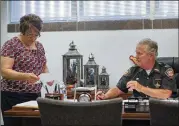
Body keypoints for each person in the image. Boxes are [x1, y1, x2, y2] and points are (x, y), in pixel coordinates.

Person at [97, 38, 177, 100]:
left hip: (159, 110)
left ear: (151, 56)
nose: (136, 56)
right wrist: (105, 95)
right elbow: (118, 89)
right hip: (137, 111)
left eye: (139, 53)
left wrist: (141, 88)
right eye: (136, 53)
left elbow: (166, 93)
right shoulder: (133, 70)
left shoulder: (165, 70)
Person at [1, 14, 49, 114]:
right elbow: (4, 71)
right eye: (29, 35)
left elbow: (44, 67)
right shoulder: (11, 45)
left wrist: (48, 79)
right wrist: (26, 76)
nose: (33, 38)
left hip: (35, 95)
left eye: (36, 35)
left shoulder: (39, 46)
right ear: (22, 31)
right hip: (13, 95)